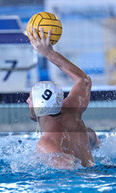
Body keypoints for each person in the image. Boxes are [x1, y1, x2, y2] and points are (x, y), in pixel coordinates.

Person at [26, 27, 95, 169]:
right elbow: (84, 80)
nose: (27, 101)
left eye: (30, 98)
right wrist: (49, 53)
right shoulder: (72, 111)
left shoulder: (46, 143)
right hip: (94, 172)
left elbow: (67, 167)